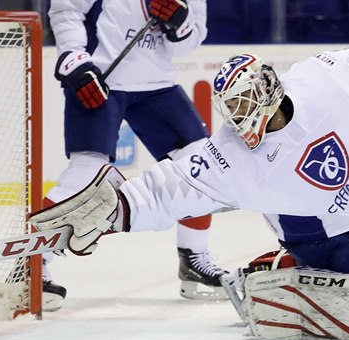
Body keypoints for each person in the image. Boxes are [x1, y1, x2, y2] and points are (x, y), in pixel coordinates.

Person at [31, 14, 349, 281]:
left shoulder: (323, 78)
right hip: (327, 244)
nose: (238, 116)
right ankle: (296, 268)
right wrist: (113, 211)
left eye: (243, 102)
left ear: (270, 89)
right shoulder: (229, 155)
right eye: (230, 107)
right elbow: (166, 189)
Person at [41, 0, 228, 310]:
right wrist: (73, 56)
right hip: (100, 79)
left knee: (200, 164)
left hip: (158, 85)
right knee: (87, 172)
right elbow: (66, 8)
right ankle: (31, 264)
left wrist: (179, 23)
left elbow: (189, 42)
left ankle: (193, 259)